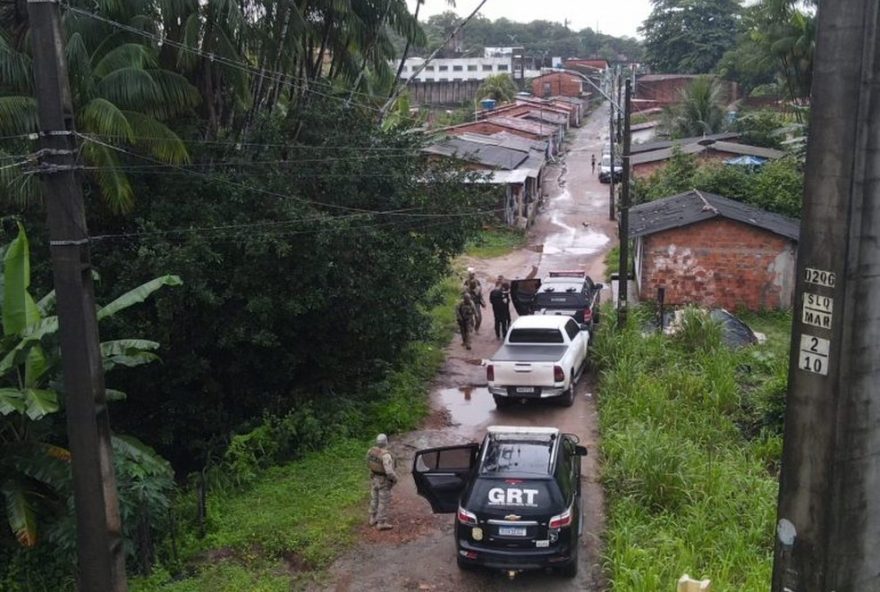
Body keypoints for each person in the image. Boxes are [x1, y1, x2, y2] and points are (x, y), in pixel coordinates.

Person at [367, 433, 398, 530]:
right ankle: (381, 522)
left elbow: (368, 463)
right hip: (383, 480)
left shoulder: (371, 451)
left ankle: (372, 518)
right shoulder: (386, 455)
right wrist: (395, 479)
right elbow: (389, 471)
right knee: (383, 501)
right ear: (386, 442)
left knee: (374, 498)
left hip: (374, 477)